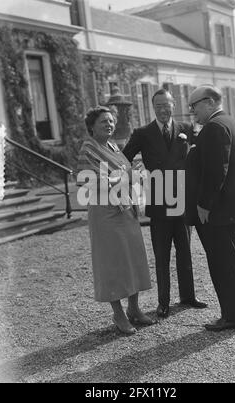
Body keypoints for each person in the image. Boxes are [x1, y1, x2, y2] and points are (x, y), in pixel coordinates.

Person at [123, 89, 207, 318]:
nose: (162, 109)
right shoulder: (143, 133)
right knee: (162, 255)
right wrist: (134, 175)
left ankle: (188, 296)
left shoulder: (186, 129)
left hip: (182, 200)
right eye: (158, 105)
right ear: (153, 107)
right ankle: (164, 302)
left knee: (185, 252)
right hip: (159, 203)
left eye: (166, 105)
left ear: (173, 105)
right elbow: (123, 158)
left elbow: (202, 154)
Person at [186, 85, 235, 331]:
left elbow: (217, 171)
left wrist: (204, 204)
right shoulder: (228, 122)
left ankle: (233, 316)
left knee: (224, 264)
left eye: (193, 106)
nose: (191, 111)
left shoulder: (214, 128)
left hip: (221, 210)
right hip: (234, 207)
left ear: (208, 102)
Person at [78, 106, 154, 335]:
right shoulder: (88, 148)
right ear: (92, 126)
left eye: (111, 121)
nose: (109, 125)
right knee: (112, 262)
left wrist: (134, 175)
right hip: (105, 214)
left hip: (125, 209)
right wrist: (125, 177)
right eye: (103, 121)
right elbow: (86, 182)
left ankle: (134, 308)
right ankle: (118, 313)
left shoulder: (114, 146)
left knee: (132, 258)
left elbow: (126, 174)